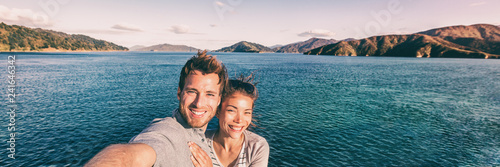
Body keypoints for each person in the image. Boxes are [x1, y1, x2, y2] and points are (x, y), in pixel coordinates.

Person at [85, 50, 227, 167]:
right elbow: (125, 156)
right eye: (192, 92)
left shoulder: (207, 139)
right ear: (179, 93)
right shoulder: (168, 133)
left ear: (219, 100)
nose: (199, 103)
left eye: (210, 94)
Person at [190, 75, 269, 167]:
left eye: (247, 112)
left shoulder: (257, 147)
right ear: (218, 111)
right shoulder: (200, 142)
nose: (239, 120)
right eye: (231, 110)